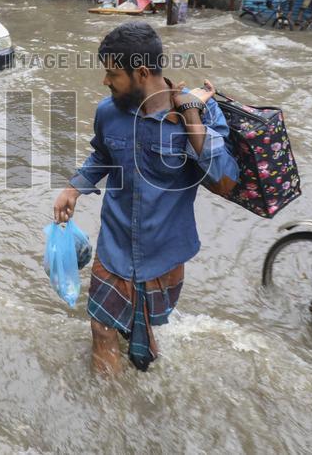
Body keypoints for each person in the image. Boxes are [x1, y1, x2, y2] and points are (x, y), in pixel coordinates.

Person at [53, 22, 239, 374]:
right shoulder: (109, 112)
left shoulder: (198, 113)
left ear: (141, 72)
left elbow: (225, 182)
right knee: (101, 329)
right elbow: (102, 155)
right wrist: (73, 188)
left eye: (112, 74)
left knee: (140, 346)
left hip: (164, 254)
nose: (105, 82)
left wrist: (191, 117)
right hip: (115, 247)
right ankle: (109, 419)